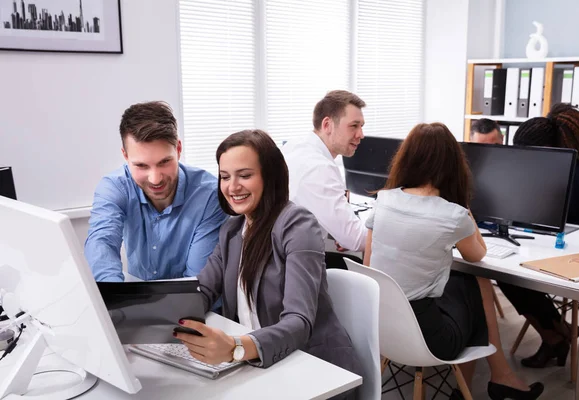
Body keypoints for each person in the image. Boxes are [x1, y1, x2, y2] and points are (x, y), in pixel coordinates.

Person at [175, 129, 361, 399]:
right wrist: (157, 317)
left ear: (269, 176)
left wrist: (235, 348)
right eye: (225, 177)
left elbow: (298, 322)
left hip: (316, 369)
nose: (232, 186)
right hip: (263, 366)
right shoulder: (232, 230)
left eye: (245, 175)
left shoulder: (298, 225)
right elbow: (203, 289)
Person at [364, 123, 543, 400]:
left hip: (380, 328)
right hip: (429, 340)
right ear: (453, 164)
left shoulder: (383, 201)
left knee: (461, 283)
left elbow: (368, 267)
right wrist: (461, 204)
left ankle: (493, 379)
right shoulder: (453, 215)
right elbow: (478, 255)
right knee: (476, 280)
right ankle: (494, 379)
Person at [496, 103, 579, 368]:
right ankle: (555, 334)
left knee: (521, 277)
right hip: (548, 250)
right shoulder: (536, 173)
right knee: (507, 276)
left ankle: (556, 336)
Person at [85, 101, 228, 282]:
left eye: (164, 162)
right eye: (141, 165)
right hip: (143, 301)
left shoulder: (209, 195)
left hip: (200, 306)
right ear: (125, 156)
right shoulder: (114, 187)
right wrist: (116, 299)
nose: (155, 179)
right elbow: (101, 243)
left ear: (178, 149)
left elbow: (196, 283)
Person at [282, 90, 368, 252]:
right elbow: (357, 240)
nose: (361, 135)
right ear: (327, 125)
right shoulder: (319, 168)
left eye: (361, 126)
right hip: (292, 265)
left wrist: (343, 233)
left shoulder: (295, 146)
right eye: (354, 126)